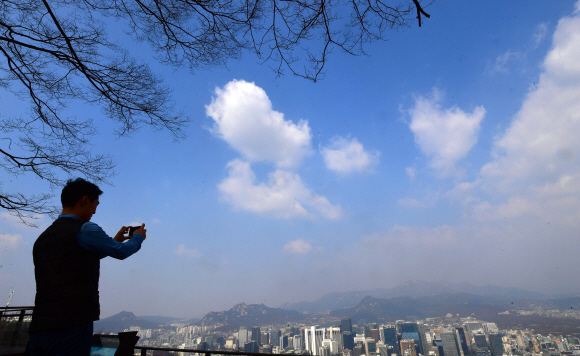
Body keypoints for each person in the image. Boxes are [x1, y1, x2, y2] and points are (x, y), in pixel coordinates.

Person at [27, 178, 147, 355]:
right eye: (95, 205)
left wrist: (112, 242)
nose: (95, 212)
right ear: (84, 201)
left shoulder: (43, 238)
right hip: (72, 322)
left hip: (40, 324)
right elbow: (121, 252)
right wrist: (138, 237)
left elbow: (76, 257)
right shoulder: (84, 229)